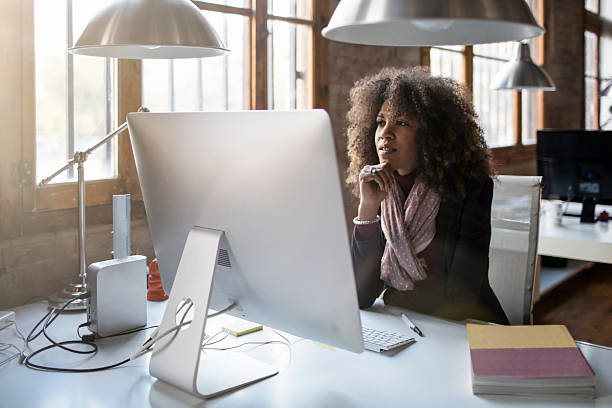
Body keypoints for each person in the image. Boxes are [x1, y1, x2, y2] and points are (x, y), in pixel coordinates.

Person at [347, 66, 508, 324]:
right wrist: (367, 209)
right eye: (380, 122)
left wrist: (401, 304)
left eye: (401, 122)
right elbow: (360, 295)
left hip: (464, 327)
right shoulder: (381, 189)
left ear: (429, 134)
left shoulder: (469, 187)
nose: (385, 133)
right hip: (403, 323)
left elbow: (462, 293)